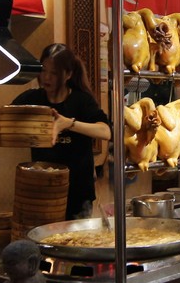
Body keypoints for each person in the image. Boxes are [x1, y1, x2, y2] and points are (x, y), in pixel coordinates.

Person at [8, 44, 111, 220]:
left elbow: (105, 132)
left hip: (77, 192)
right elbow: (3, 120)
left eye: (54, 73)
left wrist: (68, 124)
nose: (46, 77)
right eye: (43, 70)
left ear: (68, 74)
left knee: (74, 243)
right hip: (43, 191)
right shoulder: (32, 98)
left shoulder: (81, 100)